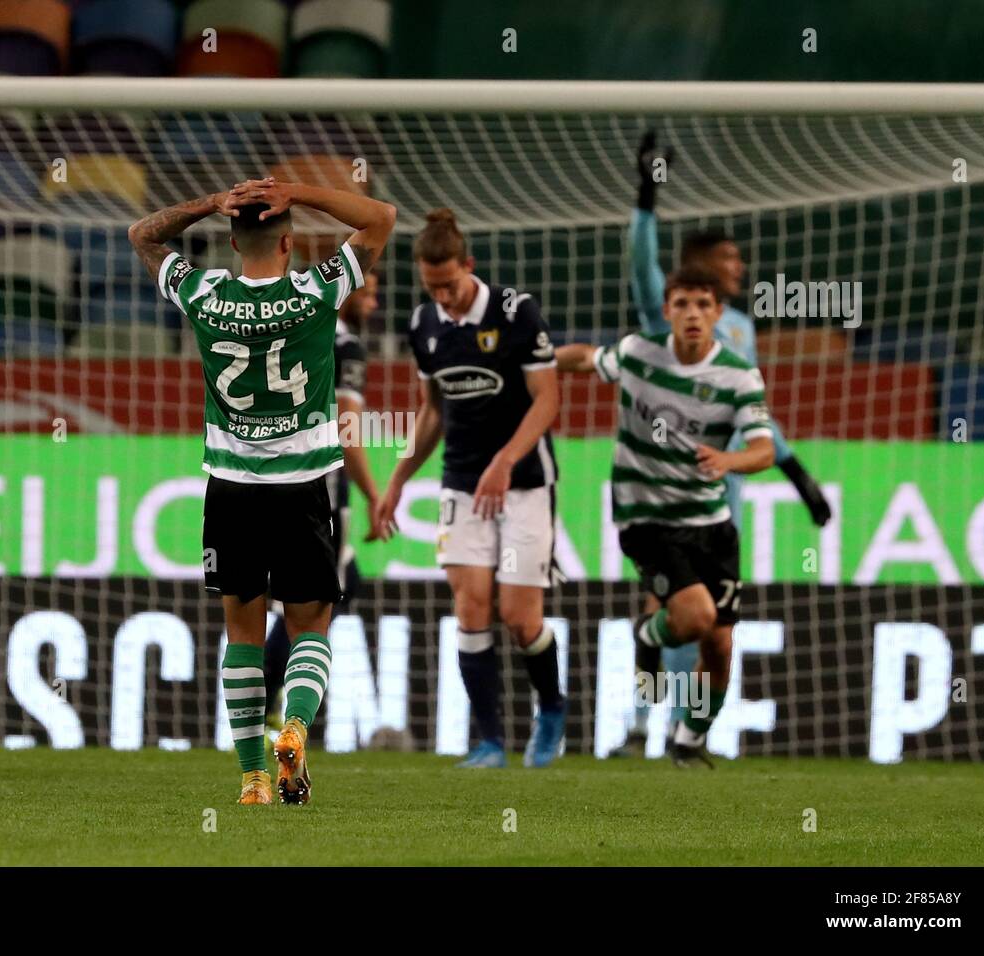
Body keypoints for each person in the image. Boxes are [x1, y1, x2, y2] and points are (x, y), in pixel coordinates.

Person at [130, 177, 395, 804]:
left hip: (230, 489)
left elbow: (142, 235)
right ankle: (296, 726)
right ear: (289, 241)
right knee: (310, 627)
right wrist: (300, 190)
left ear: (229, 239)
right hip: (301, 488)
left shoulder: (205, 293)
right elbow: (380, 218)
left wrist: (205, 203)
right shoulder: (315, 291)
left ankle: (252, 779)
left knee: (243, 634)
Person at [618, 131, 832, 755]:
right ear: (704, 267)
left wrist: (797, 475)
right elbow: (641, 263)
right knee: (675, 613)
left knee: (710, 627)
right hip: (665, 495)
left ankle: (688, 733)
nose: (741, 267)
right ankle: (638, 726)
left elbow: (750, 414)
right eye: (731, 258)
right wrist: (647, 195)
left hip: (724, 495)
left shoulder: (735, 329)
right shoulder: (665, 320)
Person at [557, 268, 776, 767]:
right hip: (646, 517)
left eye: (703, 304)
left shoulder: (739, 375)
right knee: (696, 618)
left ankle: (690, 737)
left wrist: (728, 460)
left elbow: (763, 451)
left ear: (719, 313)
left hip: (711, 522)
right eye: (682, 304)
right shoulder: (638, 353)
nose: (693, 313)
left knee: (720, 646)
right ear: (668, 311)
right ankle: (647, 635)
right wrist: (538, 360)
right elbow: (587, 359)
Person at [376, 208, 566, 769]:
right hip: (461, 482)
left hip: (525, 482)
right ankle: (489, 742)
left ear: (470, 267)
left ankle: (551, 708)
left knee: (520, 616)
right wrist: (396, 481)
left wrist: (506, 459)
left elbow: (549, 399)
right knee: (470, 607)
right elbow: (431, 413)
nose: (445, 299)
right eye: (433, 288)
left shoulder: (515, 312)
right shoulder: (424, 326)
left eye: (452, 286)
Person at [263, 272, 392, 736]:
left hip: (265, 473)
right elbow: (347, 431)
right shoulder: (346, 345)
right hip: (321, 485)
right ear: (347, 289)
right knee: (313, 603)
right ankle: (270, 707)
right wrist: (377, 495)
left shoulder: (293, 327)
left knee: (342, 581)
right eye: (369, 293)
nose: (374, 305)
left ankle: (269, 699)